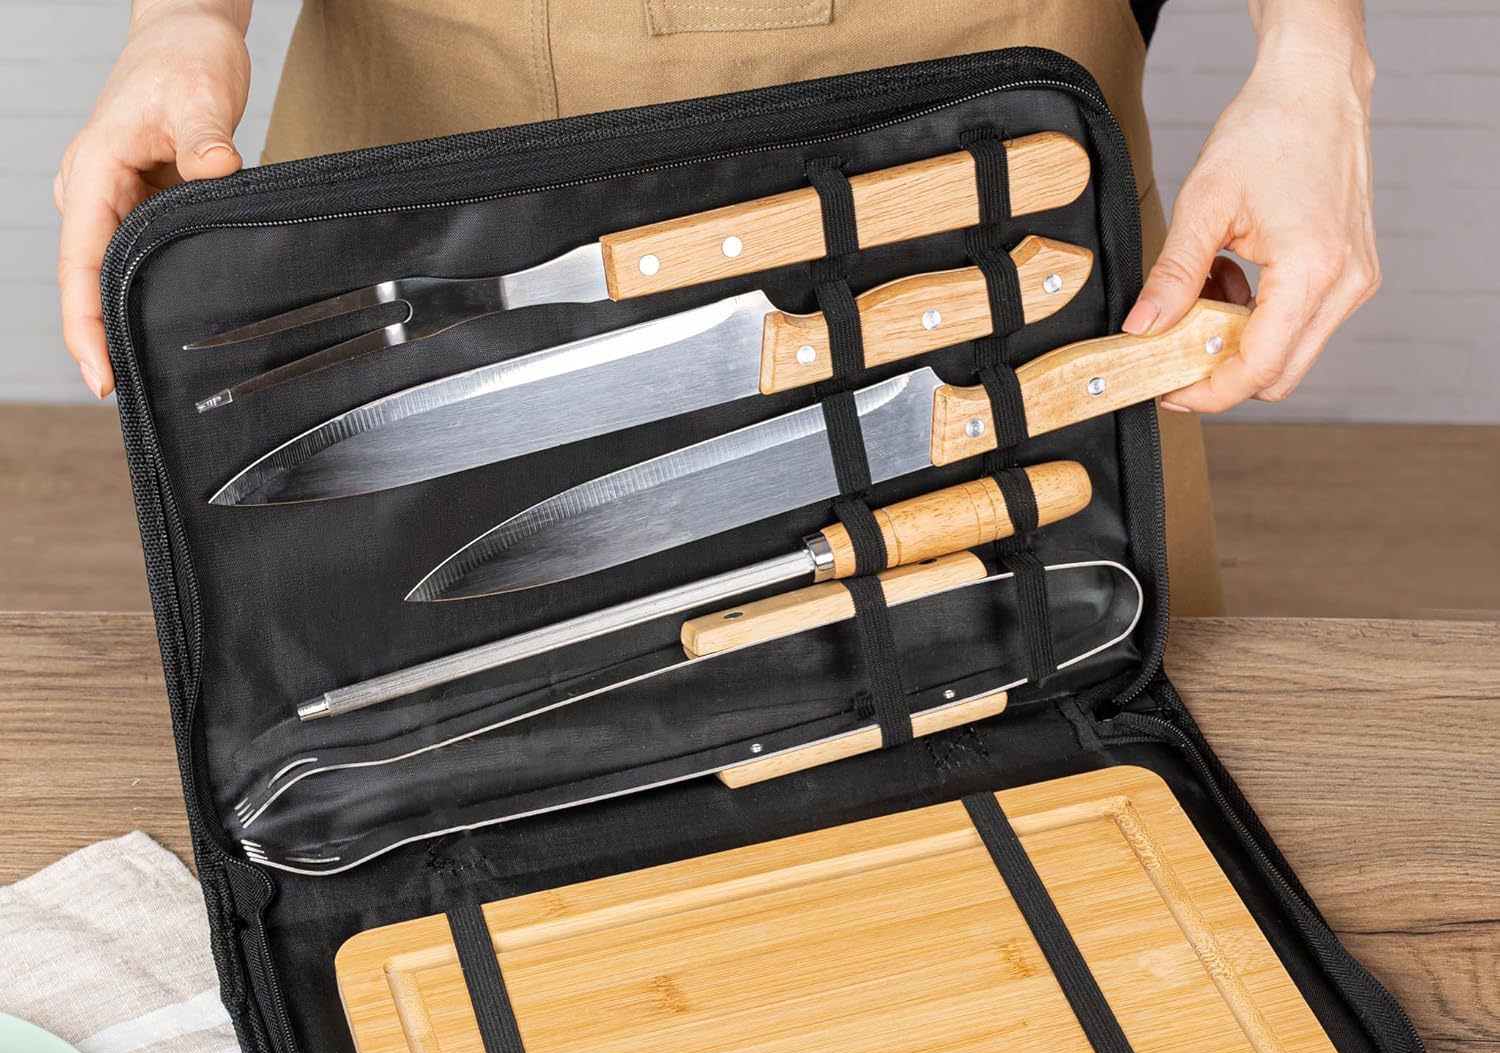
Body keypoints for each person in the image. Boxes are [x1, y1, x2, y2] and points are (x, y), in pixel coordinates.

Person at [54, 0, 1379, 615]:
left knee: (1047, 707)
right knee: (372, 664)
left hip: (965, 123)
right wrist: (179, 19)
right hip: (433, 103)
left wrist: (1318, 53)